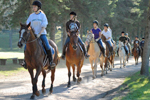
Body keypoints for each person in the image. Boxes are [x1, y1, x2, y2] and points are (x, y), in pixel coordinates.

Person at [22, 0, 56, 69]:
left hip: (42, 34)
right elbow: (27, 24)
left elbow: (44, 26)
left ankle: (51, 62)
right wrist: (29, 31)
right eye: (33, 7)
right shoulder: (31, 16)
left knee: (47, 46)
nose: (33, 8)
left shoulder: (42, 16)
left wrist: (39, 33)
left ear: (38, 7)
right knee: (26, 47)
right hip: (33, 35)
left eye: (35, 7)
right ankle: (25, 62)